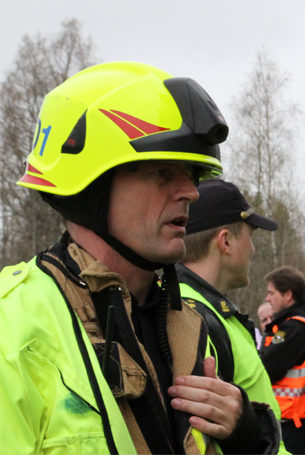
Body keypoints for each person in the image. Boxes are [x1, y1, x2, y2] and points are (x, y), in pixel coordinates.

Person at [0, 62, 279, 453]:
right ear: (90, 187)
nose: (191, 192)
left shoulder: (192, 327)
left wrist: (246, 437)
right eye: (162, 172)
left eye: (192, 174)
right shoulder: (12, 327)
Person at [178, 177, 289, 452]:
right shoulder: (191, 319)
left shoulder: (208, 312)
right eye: (250, 237)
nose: (253, 249)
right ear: (226, 241)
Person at [259, 266, 305, 454]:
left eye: (271, 293)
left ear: (288, 295)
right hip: (295, 416)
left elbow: (265, 367)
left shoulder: (295, 328)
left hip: (291, 417)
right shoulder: (299, 324)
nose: (267, 299)